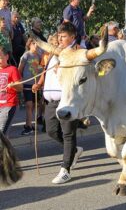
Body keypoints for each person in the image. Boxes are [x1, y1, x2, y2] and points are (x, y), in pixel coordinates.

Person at [32, 22, 83, 184]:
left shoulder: (79, 52)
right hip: (50, 100)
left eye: (64, 36)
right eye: (59, 36)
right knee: (51, 131)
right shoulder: (55, 52)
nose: (60, 39)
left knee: (68, 134)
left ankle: (65, 169)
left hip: (67, 100)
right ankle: (74, 150)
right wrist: (39, 84)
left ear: (73, 36)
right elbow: (47, 72)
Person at [18, 38, 43, 135]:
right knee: (28, 105)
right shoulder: (26, 55)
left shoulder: (39, 55)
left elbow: (41, 69)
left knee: (33, 105)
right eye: (33, 43)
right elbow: (20, 69)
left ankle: (29, 124)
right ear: (29, 44)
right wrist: (20, 81)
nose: (36, 45)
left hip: (35, 84)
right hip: (27, 83)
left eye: (37, 43)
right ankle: (28, 126)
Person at [0, 46, 22, 135]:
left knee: (1, 133)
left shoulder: (12, 69)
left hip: (8, 104)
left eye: (0, 58)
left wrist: (14, 85)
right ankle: (7, 149)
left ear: (7, 57)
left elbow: (20, 87)